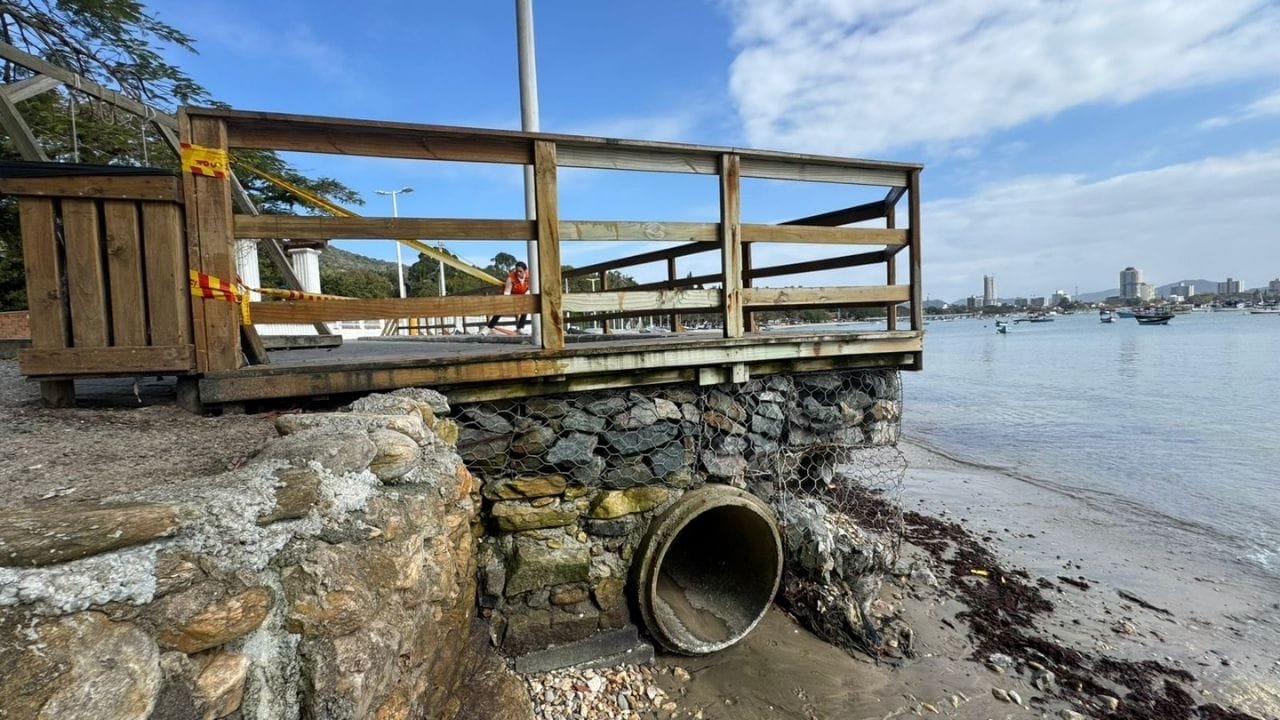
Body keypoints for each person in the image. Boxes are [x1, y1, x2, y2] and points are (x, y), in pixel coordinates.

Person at [485, 261, 530, 333]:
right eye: (517, 271)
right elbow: (507, 292)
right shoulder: (511, 278)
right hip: (511, 294)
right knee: (502, 308)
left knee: (525, 307)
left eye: (520, 271)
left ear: (525, 271)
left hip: (522, 295)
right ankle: (489, 327)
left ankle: (520, 328)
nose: (518, 273)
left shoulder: (530, 277)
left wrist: (526, 296)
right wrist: (507, 302)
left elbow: (530, 288)